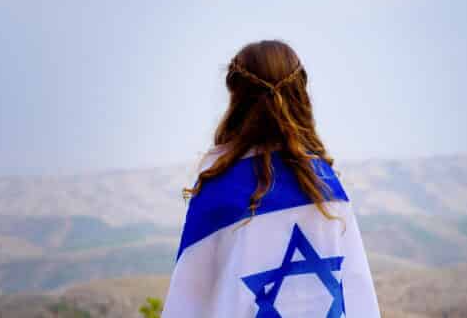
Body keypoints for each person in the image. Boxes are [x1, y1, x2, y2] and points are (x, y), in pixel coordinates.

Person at [162, 40, 381, 317]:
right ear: (301, 94)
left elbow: (186, 303)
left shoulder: (220, 188)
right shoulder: (324, 185)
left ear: (236, 98)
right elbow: (358, 296)